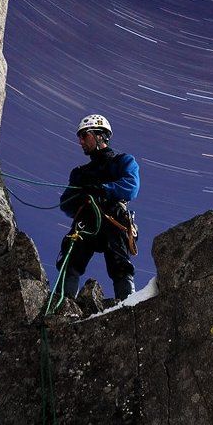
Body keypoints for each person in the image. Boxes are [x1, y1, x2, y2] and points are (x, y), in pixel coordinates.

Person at [57, 114, 140, 301]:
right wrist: (81, 195)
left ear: (100, 135)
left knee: (120, 264)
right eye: (79, 137)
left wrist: (102, 189)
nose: (80, 141)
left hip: (113, 219)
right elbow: (66, 203)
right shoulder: (79, 173)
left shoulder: (123, 161)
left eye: (84, 135)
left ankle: (128, 305)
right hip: (86, 220)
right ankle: (64, 304)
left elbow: (131, 187)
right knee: (70, 261)